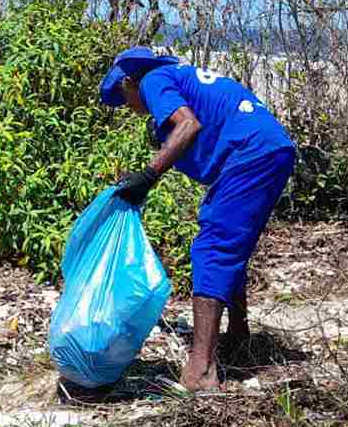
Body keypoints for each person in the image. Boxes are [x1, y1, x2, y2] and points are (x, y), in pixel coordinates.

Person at [99, 47, 296, 391]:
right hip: (265, 148)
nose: (128, 105)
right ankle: (238, 339)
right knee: (227, 245)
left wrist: (147, 175)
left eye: (122, 96)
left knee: (212, 248)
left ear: (130, 81)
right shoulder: (179, 78)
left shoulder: (154, 81)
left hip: (252, 151)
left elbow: (188, 126)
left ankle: (202, 370)